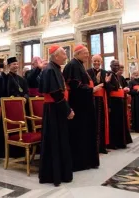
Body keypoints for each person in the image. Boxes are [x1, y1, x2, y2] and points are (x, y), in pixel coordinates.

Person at [39, 44, 74, 187]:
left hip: (55, 109)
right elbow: (56, 94)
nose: (66, 56)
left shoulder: (54, 68)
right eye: (64, 54)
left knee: (59, 140)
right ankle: (54, 175)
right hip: (54, 110)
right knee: (55, 141)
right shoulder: (50, 70)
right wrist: (67, 110)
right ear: (56, 56)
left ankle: (61, 173)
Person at [63, 44, 99, 171]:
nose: (87, 55)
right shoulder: (73, 65)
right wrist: (92, 89)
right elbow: (75, 86)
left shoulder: (79, 65)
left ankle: (87, 160)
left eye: (88, 52)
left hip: (85, 104)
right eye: (85, 53)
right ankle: (80, 162)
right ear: (77, 53)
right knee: (79, 133)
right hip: (78, 106)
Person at [105, 60, 132, 149]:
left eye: (118, 65)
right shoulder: (109, 74)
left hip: (119, 101)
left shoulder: (117, 75)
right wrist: (118, 89)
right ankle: (114, 143)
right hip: (113, 102)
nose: (116, 67)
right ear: (110, 66)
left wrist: (122, 90)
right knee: (115, 123)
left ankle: (121, 142)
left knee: (121, 122)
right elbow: (107, 87)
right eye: (114, 65)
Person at [87, 54, 109, 154]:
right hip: (91, 99)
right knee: (93, 122)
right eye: (95, 61)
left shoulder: (105, 73)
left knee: (101, 122)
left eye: (98, 61)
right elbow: (89, 86)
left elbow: (108, 88)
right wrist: (97, 81)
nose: (96, 63)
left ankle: (102, 147)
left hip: (102, 100)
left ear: (101, 62)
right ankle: (93, 147)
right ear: (92, 61)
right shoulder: (88, 72)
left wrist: (106, 82)